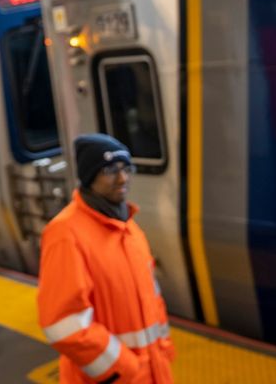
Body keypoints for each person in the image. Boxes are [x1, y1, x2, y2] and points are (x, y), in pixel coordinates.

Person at [38, 134, 175, 384]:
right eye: (110, 170)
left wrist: (163, 349)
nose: (122, 178)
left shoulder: (129, 228)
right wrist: (124, 369)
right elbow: (64, 324)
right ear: (90, 178)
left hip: (154, 371)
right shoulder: (65, 234)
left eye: (126, 169)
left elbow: (152, 298)